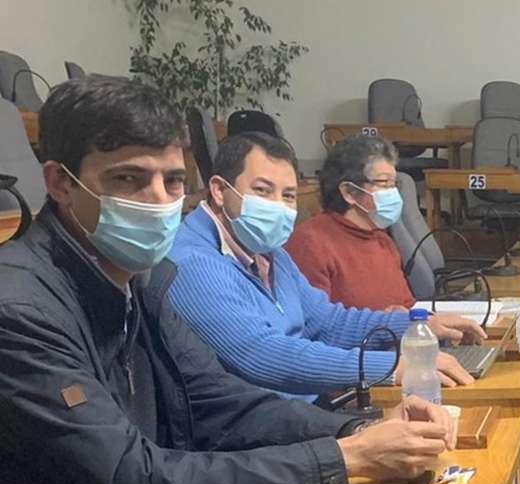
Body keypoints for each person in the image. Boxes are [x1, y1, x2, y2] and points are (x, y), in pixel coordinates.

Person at [0, 76, 447, 484]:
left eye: (171, 180)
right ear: (61, 183)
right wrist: (346, 460)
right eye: (128, 179)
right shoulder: (19, 309)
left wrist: (357, 430)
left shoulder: (140, 281)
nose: (158, 200)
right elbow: (135, 481)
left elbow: (222, 402)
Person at [167, 131, 481, 400]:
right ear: (219, 191)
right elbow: (261, 354)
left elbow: (328, 322)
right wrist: (390, 367)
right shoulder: (192, 263)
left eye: (288, 195)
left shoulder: (268, 252)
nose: (278, 205)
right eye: (262, 191)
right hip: (257, 434)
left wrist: (416, 328)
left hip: (303, 412)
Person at [285, 135, 416, 311]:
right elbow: (315, 319)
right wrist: (387, 321)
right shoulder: (309, 243)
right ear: (349, 192)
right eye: (384, 183)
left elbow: (407, 304)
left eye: (394, 185)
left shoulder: (382, 240)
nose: (393, 193)